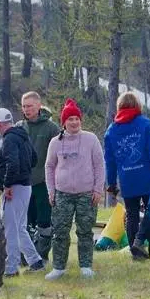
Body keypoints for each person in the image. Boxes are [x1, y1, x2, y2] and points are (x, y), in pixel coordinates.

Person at [44, 99, 104, 280]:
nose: (74, 122)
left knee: (85, 230)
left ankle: (86, 266)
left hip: (87, 194)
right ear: (63, 122)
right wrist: (51, 190)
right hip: (62, 194)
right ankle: (58, 267)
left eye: (76, 119)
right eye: (70, 119)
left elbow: (99, 166)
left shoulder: (91, 139)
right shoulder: (55, 142)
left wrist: (98, 190)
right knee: (60, 232)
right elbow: (49, 167)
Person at [103, 91, 150, 261]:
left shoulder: (112, 130)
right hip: (148, 178)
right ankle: (139, 241)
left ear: (119, 107)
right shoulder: (146, 125)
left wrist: (112, 182)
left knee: (132, 214)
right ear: (138, 106)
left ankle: (134, 250)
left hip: (127, 179)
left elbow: (110, 160)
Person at [0, 107, 45, 277]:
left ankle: (11, 268)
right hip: (25, 186)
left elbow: (12, 163)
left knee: (10, 229)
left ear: (0, 124)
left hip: (14, 188)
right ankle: (35, 261)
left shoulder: (9, 139)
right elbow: (34, 158)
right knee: (20, 227)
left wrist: (7, 185)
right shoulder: (23, 136)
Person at [21, 91, 61, 257]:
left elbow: (60, 155)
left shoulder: (51, 128)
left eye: (29, 106)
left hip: (44, 182)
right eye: (24, 106)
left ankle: (42, 255)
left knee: (44, 221)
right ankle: (28, 256)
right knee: (25, 221)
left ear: (38, 105)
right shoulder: (19, 127)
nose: (26, 109)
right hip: (23, 182)